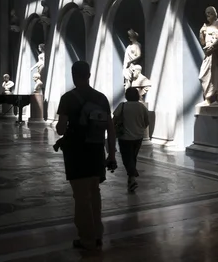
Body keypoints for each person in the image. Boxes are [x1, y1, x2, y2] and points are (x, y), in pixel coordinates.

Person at [56, 61, 117, 250]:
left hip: (76, 153)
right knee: (94, 194)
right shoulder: (102, 98)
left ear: (74, 75)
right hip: (97, 150)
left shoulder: (68, 98)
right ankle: (98, 234)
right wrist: (112, 154)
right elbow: (110, 128)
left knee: (81, 197)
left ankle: (87, 238)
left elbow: (60, 129)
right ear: (89, 75)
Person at [113, 87, 149, 192]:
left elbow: (114, 119)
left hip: (125, 137)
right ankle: (131, 178)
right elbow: (146, 122)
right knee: (133, 157)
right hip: (138, 137)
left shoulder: (122, 106)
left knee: (126, 158)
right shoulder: (142, 107)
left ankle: (132, 177)